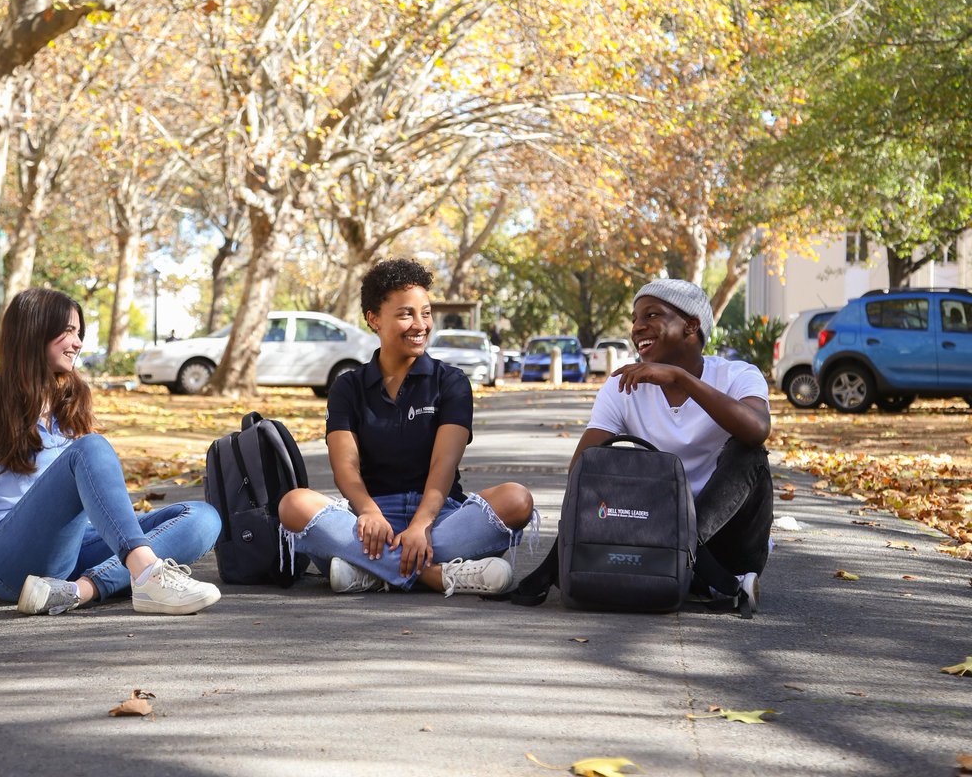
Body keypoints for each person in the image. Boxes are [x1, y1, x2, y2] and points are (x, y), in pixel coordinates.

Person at [0, 288, 223, 616]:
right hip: (7, 558)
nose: (78, 342)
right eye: (68, 331)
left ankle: (78, 592)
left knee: (203, 519)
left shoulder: (70, 398)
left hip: (71, 552)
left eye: (78, 332)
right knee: (92, 448)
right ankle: (147, 576)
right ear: (34, 332)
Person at [511, 278, 773, 613]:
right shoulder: (623, 385)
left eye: (651, 315)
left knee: (748, 453)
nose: (638, 327)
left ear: (691, 325)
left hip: (727, 547)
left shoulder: (738, 375)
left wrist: (681, 379)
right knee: (603, 458)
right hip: (651, 537)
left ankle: (699, 570)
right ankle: (698, 580)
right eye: (635, 319)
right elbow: (582, 468)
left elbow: (757, 429)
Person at [278, 258, 537, 596]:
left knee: (517, 499)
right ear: (374, 319)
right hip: (369, 524)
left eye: (426, 313)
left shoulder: (452, 382)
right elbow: (346, 468)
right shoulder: (348, 387)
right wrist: (369, 512)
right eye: (406, 314)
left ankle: (371, 571)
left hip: (441, 518)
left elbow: (443, 465)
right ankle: (437, 575)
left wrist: (421, 524)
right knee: (294, 504)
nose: (420, 325)